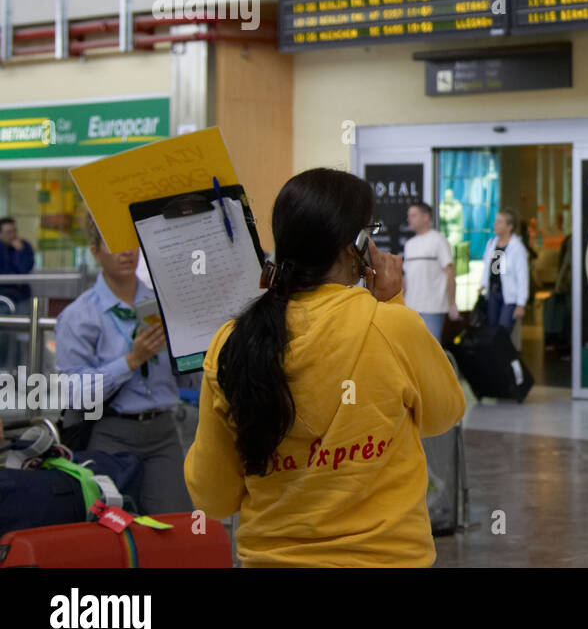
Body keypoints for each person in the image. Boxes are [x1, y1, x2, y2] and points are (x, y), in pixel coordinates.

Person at [184, 168, 465, 567]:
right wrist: (393, 303)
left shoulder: (232, 341)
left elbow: (212, 497)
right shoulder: (390, 325)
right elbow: (444, 414)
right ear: (357, 246)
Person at [54, 215, 191, 513]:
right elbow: (74, 392)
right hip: (110, 432)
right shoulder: (79, 316)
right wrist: (130, 361)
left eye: (131, 245)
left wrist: (194, 351)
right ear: (94, 251)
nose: (126, 253)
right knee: (114, 529)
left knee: (173, 524)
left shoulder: (164, 305)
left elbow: (186, 379)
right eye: (114, 245)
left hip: (163, 431)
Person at [402, 202, 459, 341]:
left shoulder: (438, 240)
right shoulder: (409, 245)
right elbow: (406, 277)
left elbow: (450, 272)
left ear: (426, 217)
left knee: (431, 353)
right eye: (409, 215)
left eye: (414, 215)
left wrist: (452, 303)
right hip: (410, 308)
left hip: (433, 308)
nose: (409, 219)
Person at [478, 207, 529, 351]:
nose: (495, 225)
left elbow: (522, 276)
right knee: (492, 329)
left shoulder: (516, 248)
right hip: (493, 293)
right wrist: (483, 285)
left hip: (509, 297)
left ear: (509, 227)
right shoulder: (492, 244)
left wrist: (521, 303)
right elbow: (490, 268)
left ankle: (506, 361)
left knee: (503, 331)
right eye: (496, 222)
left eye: (500, 222)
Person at [0, 217, 34, 313]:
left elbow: (25, 269)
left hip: (21, 295)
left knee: (23, 323)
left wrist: (19, 252)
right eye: (8, 232)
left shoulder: (24, 246)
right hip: (2, 295)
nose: (13, 235)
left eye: (14, 231)